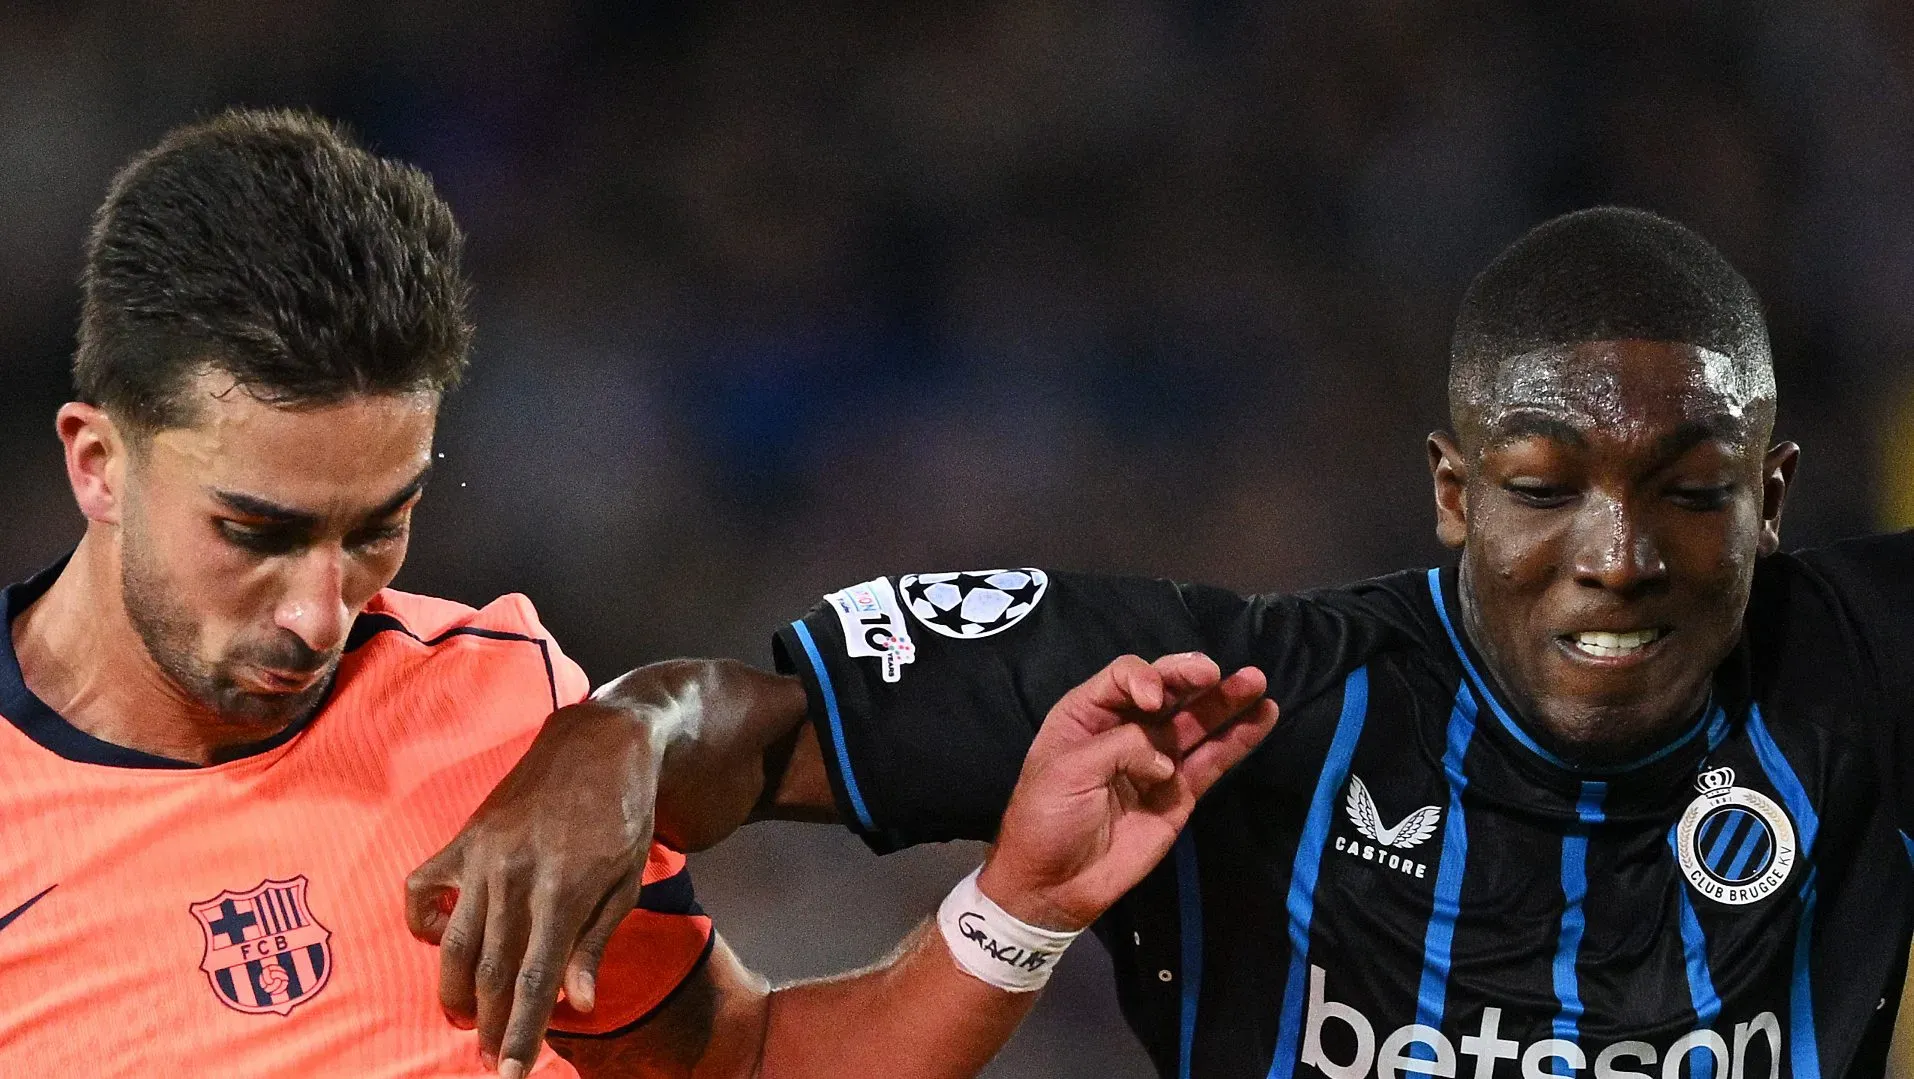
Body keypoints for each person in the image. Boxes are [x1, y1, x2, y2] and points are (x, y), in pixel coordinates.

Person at [415, 208, 1914, 1078]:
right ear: (1453, 493)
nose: (1619, 556)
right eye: (1539, 487)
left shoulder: (1857, 674)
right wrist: (618, 732)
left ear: (1771, 495)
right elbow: (765, 722)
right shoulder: (1239, 702)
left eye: (1692, 491)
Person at [0, 107, 1279, 1078]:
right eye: (254, 532)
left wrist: (1018, 908)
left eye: (377, 529)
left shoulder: (496, 708)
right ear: (97, 461)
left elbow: (740, 1063)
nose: (318, 612)